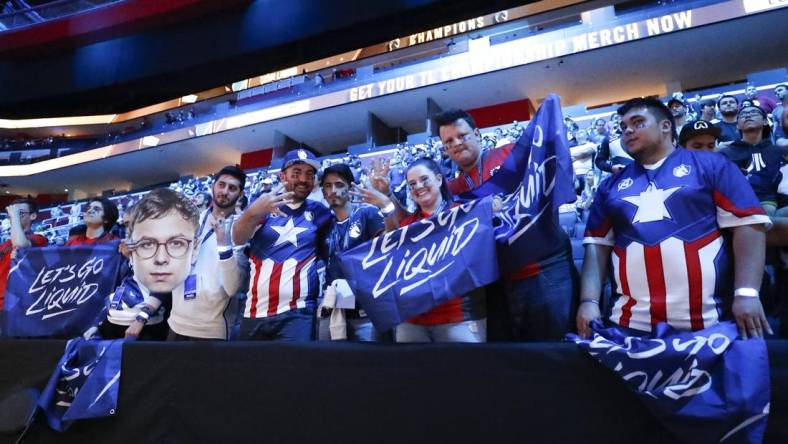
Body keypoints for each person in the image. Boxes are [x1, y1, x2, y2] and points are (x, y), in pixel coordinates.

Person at [577, 98, 772, 340]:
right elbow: (597, 246)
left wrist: (746, 293)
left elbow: (748, 224)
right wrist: (588, 301)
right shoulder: (610, 185)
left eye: (637, 123)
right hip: (629, 325)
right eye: (623, 126)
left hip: (709, 322)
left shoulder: (712, 164)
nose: (627, 130)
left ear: (666, 126)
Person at [434, 109, 576, 341]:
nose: (457, 143)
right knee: (516, 355)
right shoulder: (453, 189)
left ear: (477, 134)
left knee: (556, 347)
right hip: (499, 280)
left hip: (544, 266)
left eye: (462, 135)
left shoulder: (511, 153)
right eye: (449, 141)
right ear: (445, 149)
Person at [232, 149, 332, 341]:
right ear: (282, 176)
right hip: (254, 312)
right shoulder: (261, 205)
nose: (303, 179)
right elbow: (238, 238)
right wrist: (254, 211)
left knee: (293, 370)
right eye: (296, 173)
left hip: (298, 313)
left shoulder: (320, 213)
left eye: (309, 175)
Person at [387, 158, 486, 342]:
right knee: (412, 372)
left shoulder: (465, 215)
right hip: (413, 321)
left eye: (424, 179)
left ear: (439, 179)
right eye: (412, 184)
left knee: (466, 371)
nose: (418, 186)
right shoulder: (407, 226)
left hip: (458, 317)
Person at [88, 188, 200, 340]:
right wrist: (97, 323)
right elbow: (119, 289)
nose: (128, 229)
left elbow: (163, 287)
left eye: (131, 224)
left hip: (151, 324)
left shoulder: (161, 248)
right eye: (126, 225)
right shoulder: (125, 251)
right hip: (119, 320)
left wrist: (141, 318)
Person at [167, 165, 250, 341]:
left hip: (211, 329)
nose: (225, 191)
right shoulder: (190, 220)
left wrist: (224, 245)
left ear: (240, 195)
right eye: (221, 185)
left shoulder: (241, 230)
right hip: (175, 321)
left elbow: (233, 287)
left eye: (232, 188)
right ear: (213, 186)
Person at [316, 164, 397, 341]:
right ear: (323, 192)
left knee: (368, 366)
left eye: (339, 184)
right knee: (327, 363)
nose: (333, 190)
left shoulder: (367, 213)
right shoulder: (324, 225)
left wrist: (386, 206)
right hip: (334, 307)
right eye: (328, 186)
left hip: (366, 311)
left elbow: (390, 243)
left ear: (351, 188)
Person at [719, 105, 784, 215]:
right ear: (738, 125)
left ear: (765, 121)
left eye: (753, 112)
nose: (748, 115)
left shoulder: (778, 151)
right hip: (740, 206)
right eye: (743, 115)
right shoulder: (725, 154)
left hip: (777, 202)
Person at [0, 198, 48, 332]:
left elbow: (20, 245)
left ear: (33, 216)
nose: (13, 216)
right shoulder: (4, 245)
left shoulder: (39, 238)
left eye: (20, 213)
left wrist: (14, 217)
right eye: (12, 213)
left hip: (13, 304)